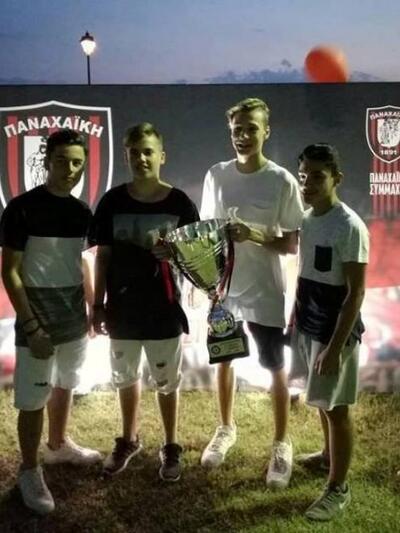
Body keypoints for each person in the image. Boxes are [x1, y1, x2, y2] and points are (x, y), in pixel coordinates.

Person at [200, 97, 303, 489]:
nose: (243, 136)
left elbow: (291, 244)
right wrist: (209, 284)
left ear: (266, 131)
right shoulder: (216, 175)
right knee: (224, 360)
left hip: (265, 291)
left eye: (251, 129)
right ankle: (226, 428)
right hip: (225, 291)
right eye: (237, 130)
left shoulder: (282, 180)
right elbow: (208, 233)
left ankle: (281, 442)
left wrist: (255, 235)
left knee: (275, 365)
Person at [0, 129, 101, 515]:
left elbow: (82, 262)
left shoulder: (82, 212)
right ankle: (29, 469)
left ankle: (57, 446)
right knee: (32, 401)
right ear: (47, 161)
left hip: (73, 320)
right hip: (38, 325)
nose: (70, 169)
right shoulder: (21, 208)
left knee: (65, 384)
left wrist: (93, 308)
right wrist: (32, 326)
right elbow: (10, 271)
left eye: (77, 163)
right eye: (62, 161)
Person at [91, 122, 199, 482]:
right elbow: (102, 257)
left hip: (164, 310)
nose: (142, 158)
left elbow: (195, 256)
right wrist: (97, 305)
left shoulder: (180, 203)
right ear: (126, 156)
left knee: (167, 380)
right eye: (134, 152)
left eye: (148, 151)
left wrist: (175, 253)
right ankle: (129, 439)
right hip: (121, 310)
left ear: (162, 156)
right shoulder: (111, 202)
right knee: (124, 376)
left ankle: (171, 444)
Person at [292, 143, 369, 521]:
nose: (307, 183)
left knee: (337, 409)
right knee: (322, 400)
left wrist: (335, 347)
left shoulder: (350, 226)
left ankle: (339, 488)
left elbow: (356, 293)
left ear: (336, 178)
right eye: (303, 175)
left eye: (317, 176)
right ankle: (327, 457)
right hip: (309, 324)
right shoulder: (308, 219)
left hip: (335, 331)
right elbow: (307, 274)